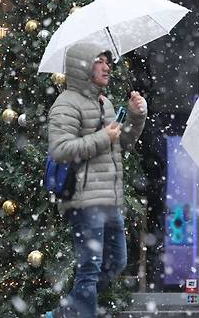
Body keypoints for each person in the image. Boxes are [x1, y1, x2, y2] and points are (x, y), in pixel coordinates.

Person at [45, 42, 147, 318]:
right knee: (89, 270)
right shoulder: (66, 103)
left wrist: (137, 116)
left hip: (110, 199)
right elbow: (60, 149)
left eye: (107, 61)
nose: (107, 67)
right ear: (83, 67)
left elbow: (122, 142)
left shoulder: (105, 102)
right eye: (99, 61)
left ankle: (63, 313)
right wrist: (103, 138)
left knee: (116, 264)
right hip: (84, 199)